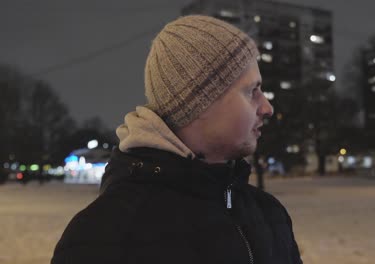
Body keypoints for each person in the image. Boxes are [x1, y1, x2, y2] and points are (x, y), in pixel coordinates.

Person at [51, 15, 302, 264]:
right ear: (200, 103)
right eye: (252, 91)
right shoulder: (103, 236)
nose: (267, 107)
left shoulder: (269, 215)